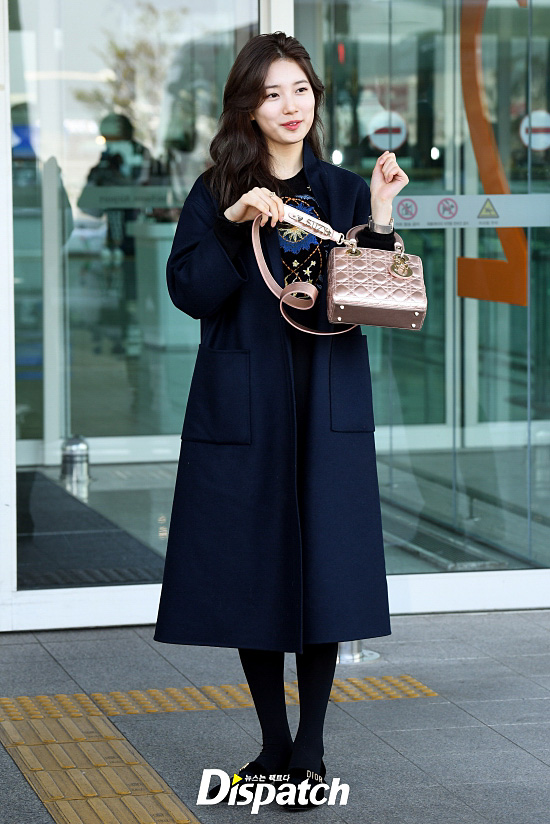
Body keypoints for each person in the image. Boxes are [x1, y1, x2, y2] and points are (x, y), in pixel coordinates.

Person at [153, 31, 409, 811]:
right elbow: (190, 291)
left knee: (326, 568)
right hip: (248, 403)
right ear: (248, 106)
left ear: (315, 99)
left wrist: (384, 217)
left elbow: (379, 301)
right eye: (271, 93)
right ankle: (271, 744)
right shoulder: (217, 188)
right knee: (250, 567)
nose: (289, 106)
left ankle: (312, 749)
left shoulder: (339, 190)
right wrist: (233, 219)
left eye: (299, 89)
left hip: (325, 398)